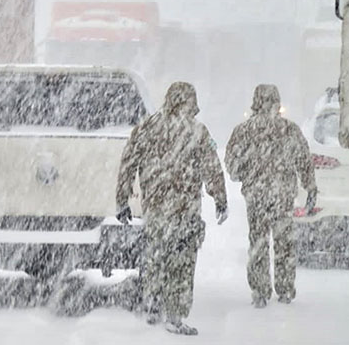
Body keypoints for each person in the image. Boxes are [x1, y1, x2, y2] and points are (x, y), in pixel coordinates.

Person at [116, 81, 227, 336]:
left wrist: (122, 199)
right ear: (190, 102)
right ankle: (175, 314)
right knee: (182, 262)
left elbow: (128, 163)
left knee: (155, 257)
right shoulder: (197, 131)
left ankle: (153, 305)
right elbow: (212, 167)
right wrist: (220, 198)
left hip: (156, 208)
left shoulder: (146, 127)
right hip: (186, 209)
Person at [225, 84, 317, 308]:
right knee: (284, 243)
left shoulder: (244, 130)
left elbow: (232, 164)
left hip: (256, 196)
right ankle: (285, 289)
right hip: (282, 195)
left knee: (258, 242)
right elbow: (304, 160)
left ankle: (260, 290)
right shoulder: (290, 129)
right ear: (277, 102)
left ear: (255, 103)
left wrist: (246, 174)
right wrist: (310, 187)